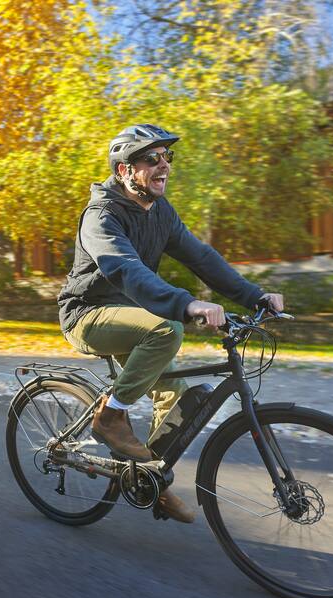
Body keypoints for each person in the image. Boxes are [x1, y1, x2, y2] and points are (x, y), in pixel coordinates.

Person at [57, 124, 285, 523]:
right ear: (126, 170)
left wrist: (255, 296)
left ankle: (149, 480)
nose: (164, 165)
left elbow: (202, 257)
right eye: (152, 158)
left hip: (134, 318)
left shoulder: (160, 212)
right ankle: (109, 417)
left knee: (179, 397)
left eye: (167, 157)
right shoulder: (101, 216)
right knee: (168, 328)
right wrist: (187, 304)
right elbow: (125, 270)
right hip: (88, 316)